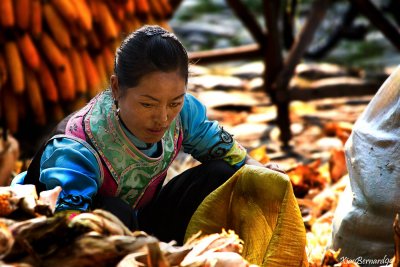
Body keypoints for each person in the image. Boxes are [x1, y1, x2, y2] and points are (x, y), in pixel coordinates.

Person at [12, 25, 282, 245]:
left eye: (174, 103)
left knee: (223, 173)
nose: (163, 118)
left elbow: (223, 149)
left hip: (140, 223)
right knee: (115, 211)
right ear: (117, 88)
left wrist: (262, 171)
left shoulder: (183, 113)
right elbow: (67, 225)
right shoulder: (77, 148)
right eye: (148, 104)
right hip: (75, 232)